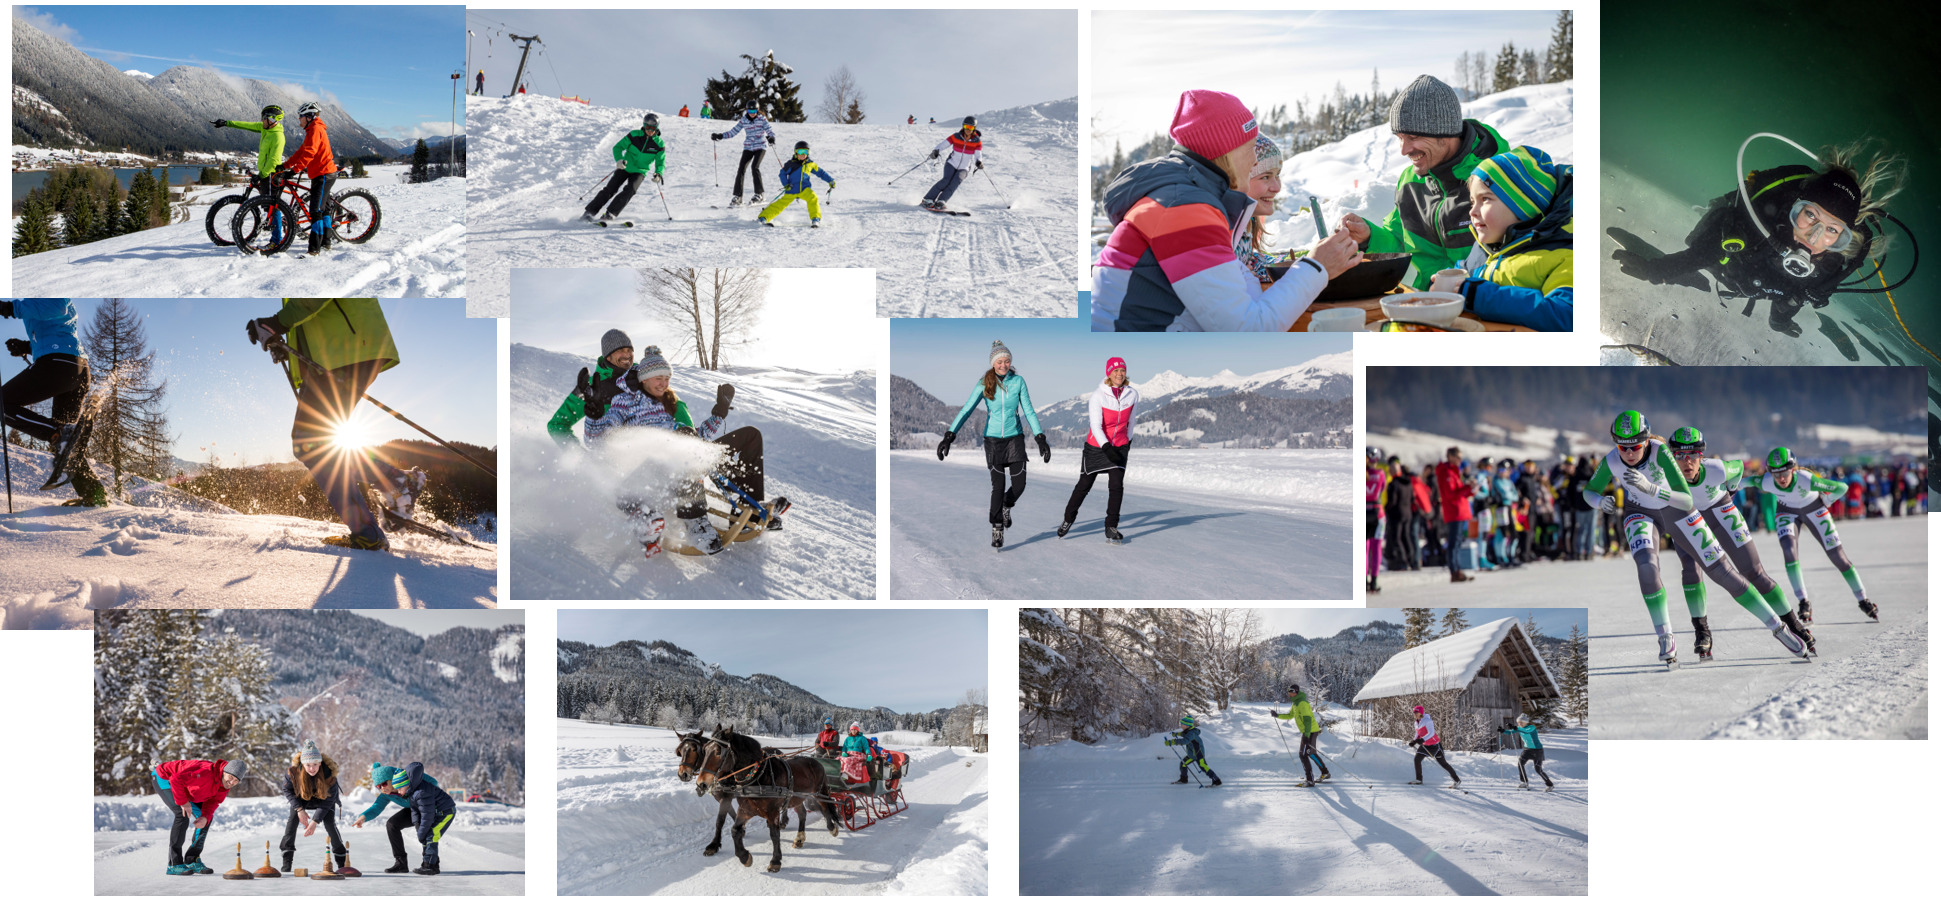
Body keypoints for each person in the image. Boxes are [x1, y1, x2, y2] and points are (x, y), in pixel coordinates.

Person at [1092, 89, 1362, 332]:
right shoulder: (1184, 209)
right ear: (1228, 152)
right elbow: (1246, 332)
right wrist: (1317, 266)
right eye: (1249, 148)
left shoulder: (1185, 197)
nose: (1254, 159)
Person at [1580, 411, 1809, 667]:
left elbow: (1687, 500)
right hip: (1640, 513)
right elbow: (1589, 491)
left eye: (1635, 446)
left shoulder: (1661, 453)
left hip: (1675, 508)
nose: (1629, 453)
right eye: (1622, 446)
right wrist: (1600, 501)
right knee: (1647, 566)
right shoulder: (1612, 460)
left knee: (1722, 571)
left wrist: (1650, 488)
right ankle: (1666, 636)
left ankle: (1779, 628)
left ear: (1646, 441)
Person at [1612, 141, 1905, 337]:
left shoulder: (1831, 264)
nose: (1814, 238)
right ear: (1795, 208)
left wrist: (1778, 322)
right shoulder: (1755, 224)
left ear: (1843, 238)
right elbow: (1700, 257)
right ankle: (1707, 213)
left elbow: (1797, 296)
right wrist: (1655, 271)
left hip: (1753, 285)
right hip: (1727, 265)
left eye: (1832, 231)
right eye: (1811, 216)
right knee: (1706, 241)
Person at [575, 345, 786, 556]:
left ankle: (751, 512)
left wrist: (719, 414)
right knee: (681, 447)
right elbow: (597, 443)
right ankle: (695, 522)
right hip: (647, 474)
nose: (664, 383)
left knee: (751, 434)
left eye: (667, 378)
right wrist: (594, 417)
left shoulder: (668, 405)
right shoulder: (624, 402)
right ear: (644, 378)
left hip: (684, 464)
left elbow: (696, 439)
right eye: (658, 378)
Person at [246, 299, 400, 551]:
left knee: (310, 444)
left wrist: (275, 324)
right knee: (319, 443)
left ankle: (368, 530)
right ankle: (395, 483)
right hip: (341, 351)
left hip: (343, 352)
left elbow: (315, 296)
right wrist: (287, 345)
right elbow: (311, 315)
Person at [1339, 75, 1510, 291]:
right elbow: (1399, 243)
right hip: (1425, 302)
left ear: (1445, 132)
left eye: (1413, 137)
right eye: (1400, 138)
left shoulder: (1501, 177)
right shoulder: (1409, 182)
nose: (1404, 150)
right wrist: (1369, 236)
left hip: (1487, 304)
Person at [1667, 428, 1814, 659]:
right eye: (1679, 456)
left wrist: (1732, 489)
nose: (1687, 462)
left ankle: (1794, 625)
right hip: (1687, 518)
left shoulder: (1716, 469)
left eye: (1693, 455)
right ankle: (1702, 631)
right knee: (1691, 570)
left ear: (1701, 457)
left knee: (1754, 572)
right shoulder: (1666, 476)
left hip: (1720, 513)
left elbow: (1738, 468)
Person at [936, 340, 1047, 549]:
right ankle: (997, 527)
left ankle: (1007, 504)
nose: (1003, 365)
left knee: (1020, 485)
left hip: (1015, 439)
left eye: (1006, 361)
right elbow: (966, 409)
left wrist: (1040, 438)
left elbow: (1029, 411)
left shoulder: (1019, 382)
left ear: (1010, 362)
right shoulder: (984, 383)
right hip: (993, 441)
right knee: (998, 486)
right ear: (993, 363)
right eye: (999, 362)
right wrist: (950, 434)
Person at [1451, 146, 1574, 330]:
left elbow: (1566, 316)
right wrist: (1445, 283)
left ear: (1522, 206)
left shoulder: (1564, 254)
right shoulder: (1486, 247)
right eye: (1472, 201)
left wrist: (1477, 295)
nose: (1472, 212)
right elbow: (1464, 275)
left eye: (1485, 199)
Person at [0, 299, 106, 505]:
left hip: (57, 366)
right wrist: (28, 346)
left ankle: (56, 432)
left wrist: (12, 308)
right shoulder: (38, 300)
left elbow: (57, 306)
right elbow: (58, 328)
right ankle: (94, 495)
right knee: (66, 445)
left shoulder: (45, 288)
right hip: (76, 368)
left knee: (3, 403)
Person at [1761, 447, 1880, 623]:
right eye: (1775, 474)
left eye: (1785, 472)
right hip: (1787, 513)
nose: (1780, 478)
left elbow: (1842, 487)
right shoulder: (1765, 482)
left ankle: (1863, 599)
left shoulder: (1806, 479)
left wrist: (1828, 501)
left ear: (1793, 469)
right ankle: (1803, 601)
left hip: (1815, 510)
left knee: (1839, 558)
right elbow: (1740, 482)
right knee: (1789, 552)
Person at [1058, 356, 1138, 543]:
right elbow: (1096, 426)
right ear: (1108, 373)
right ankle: (1068, 519)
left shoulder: (1132, 394)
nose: (1119, 374)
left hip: (1119, 446)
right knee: (1083, 486)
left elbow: (1131, 421)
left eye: (1122, 370)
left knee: (1116, 487)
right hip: (1096, 447)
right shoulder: (1098, 396)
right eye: (1115, 370)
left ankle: (1111, 526)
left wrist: (1128, 441)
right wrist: (1106, 447)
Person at [152, 758, 246, 875]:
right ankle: (174, 864)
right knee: (182, 815)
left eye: (236, 781)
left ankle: (192, 859)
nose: (231, 782)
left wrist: (205, 817)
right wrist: (183, 802)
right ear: (224, 772)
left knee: (206, 819)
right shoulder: (205, 773)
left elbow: (213, 802)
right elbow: (176, 779)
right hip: (165, 778)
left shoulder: (224, 786)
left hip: (184, 786)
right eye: (230, 777)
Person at [547, 328, 633, 444]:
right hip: (609, 458)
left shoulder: (643, 376)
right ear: (608, 356)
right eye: (621, 350)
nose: (627, 355)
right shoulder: (590, 387)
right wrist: (580, 456)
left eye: (629, 350)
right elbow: (557, 425)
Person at [210, 105, 287, 233]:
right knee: (268, 207)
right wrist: (226, 123)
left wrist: (262, 174)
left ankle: (277, 239)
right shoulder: (265, 128)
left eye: (264, 118)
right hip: (265, 173)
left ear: (272, 119)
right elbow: (246, 125)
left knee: (272, 207)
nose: (261, 120)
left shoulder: (278, 136)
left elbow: (273, 160)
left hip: (271, 174)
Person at [275, 102, 338, 256]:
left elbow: (310, 153)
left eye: (301, 116)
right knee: (323, 209)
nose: (299, 119)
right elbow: (300, 152)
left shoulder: (316, 129)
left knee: (315, 210)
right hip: (320, 174)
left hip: (324, 174)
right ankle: (326, 242)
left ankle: (314, 248)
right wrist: (285, 166)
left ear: (309, 116)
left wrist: (294, 171)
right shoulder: (312, 130)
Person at [581, 113, 666, 223]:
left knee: (630, 190)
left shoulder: (659, 144)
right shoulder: (634, 135)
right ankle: (589, 213)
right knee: (610, 189)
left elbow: (660, 162)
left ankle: (610, 213)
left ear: (657, 128)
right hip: (625, 166)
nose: (650, 130)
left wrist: (658, 173)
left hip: (640, 171)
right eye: (647, 127)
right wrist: (619, 160)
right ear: (644, 125)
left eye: (653, 128)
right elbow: (618, 147)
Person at [355, 763, 438, 874]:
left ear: (392, 779)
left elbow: (433, 782)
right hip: (413, 809)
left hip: (428, 806)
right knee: (392, 824)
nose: (382, 788)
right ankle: (401, 863)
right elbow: (377, 807)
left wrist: (421, 794)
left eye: (384, 784)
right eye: (378, 786)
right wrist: (363, 817)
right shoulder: (387, 794)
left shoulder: (408, 778)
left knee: (423, 829)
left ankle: (431, 863)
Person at [278, 740, 346, 872]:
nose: (312, 768)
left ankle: (341, 859)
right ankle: (287, 859)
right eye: (308, 765)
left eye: (315, 764)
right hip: (302, 798)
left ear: (320, 763)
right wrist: (299, 810)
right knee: (292, 822)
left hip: (324, 799)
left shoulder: (329, 775)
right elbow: (287, 790)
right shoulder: (292, 773)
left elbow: (328, 802)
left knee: (329, 824)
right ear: (303, 764)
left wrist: (315, 821)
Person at [380, 762, 454, 876]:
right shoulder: (412, 792)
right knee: (426, 835)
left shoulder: (421, 792)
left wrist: (422, 832)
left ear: (406, 784)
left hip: (446, 812)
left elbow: (427, 815)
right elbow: (415, 811)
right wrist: (417, 824)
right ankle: (430, 864)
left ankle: (430, 866)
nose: (398, 792)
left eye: (399, 789)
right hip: (436, 812)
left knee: (431, 835)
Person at [1237, 135, 1291, 286]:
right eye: (1266, 177)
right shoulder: (1224, 228)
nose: (1277, 187)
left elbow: (1253, 261)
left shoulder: (1246, 223)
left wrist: (1305, 260)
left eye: (1277, 175)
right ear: (1238, 180)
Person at [757, 140, 836, 228]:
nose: (803, 154)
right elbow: (782, 174)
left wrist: (830, 180)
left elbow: (821, 173)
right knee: (780, 205)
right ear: (795, 153)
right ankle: (763, 218)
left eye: (805, 152)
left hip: (805, 189)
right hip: (791, 189)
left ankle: (815, 220)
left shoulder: (810, 164)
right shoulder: (791, 164)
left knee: (813, 198)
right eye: (800, 151)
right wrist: (786, 184)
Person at [710, 104, 775, 206]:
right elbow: (733, 132)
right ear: (747, 111)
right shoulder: (744, 120)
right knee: (741, 169)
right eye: (750, 111)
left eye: (754, 112)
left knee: (755, 167)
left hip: (761, 146)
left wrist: (771, 137)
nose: (752, 114)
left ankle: (759, 194)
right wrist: (720, 136)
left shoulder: (762, 119)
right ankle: (738, 197)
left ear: (757, 110)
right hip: (748, 147)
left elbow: (769, 130)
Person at [920, 116, 984, 212]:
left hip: (964, 168)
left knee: (955, 183)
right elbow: (944, 144)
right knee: (946, 180)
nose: (968, 129)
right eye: (966, 126)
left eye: (970, 127)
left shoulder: (977, 141)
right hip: (951, 163)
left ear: (974, 128)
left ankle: (941, 201)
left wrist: (979, 162)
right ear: (963, 126)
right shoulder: (956, 136)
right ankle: (928, 199)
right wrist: (936, 151)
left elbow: (978, 155)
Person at [1273, 685, 1329, 787]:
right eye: (1288, 691)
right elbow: (1290, 715)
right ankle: (1325, 773)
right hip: (1310, 731)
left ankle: (1310, 780)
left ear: (1296, 692)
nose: (1289, 693)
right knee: (1311, 754)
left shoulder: (1302, 703)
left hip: (1310, 731)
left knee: (1303, 755)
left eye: (1291, 691)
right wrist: (1277, 715)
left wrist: (1306, 736)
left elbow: (1307, 720)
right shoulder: (1296, 703)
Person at [1434, 446, 1475, 583]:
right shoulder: (1446, 473)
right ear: (1450, 457)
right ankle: (1454, 570)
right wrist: (1467, 488)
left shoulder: (1454, 472)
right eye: (1457, 457)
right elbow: (1450, 494)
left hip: (1460, 510)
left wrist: (1471, 489)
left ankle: (1457, 569)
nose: (1459, 460)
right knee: (1453, 543)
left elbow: (1459, 492)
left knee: (1457, 542)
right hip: (1454, 511)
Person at [1406, 704, 1460, 787]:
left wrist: (1422, 739)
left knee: (1443, 764)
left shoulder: (1428, 721)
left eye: (1416, 713)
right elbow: (1417, 733)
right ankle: (1419, 779)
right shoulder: (1416, 723)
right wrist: (1414, 741)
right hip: (1425, 745)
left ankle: (1457, 780)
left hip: (1435, 746)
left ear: (1421, 713)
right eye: (1414, 713)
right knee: (1417, 759)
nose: (1415, 715)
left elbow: (1431, 733)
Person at [1497, 714, 1553, 791]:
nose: (1520, 724)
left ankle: (1550, 785)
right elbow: (1510, 732)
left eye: (1522, 722)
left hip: (1537, 750)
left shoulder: (1531, 727)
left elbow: (1526, 731)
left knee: (1538, 770)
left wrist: (1515, 727)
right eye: (1518, 722)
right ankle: (1524, 782)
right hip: (1527, 750)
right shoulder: (1519, 728)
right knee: (1520, 764)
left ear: (1526, 722)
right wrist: (1503, 731)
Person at [1164, 715, 1221, 786]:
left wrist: (1172, 742)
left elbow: (1185, 740)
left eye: (1182, 724)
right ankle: (1184, 779)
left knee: (1204, 767)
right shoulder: (1188, 731)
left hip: (1198, 754)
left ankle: (1216, 780)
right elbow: (1184, 734)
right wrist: (1176, 734)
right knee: (1183, 764)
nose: (1181, 725)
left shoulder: (1191, 733)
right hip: (1192, 754)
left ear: (1187, 725)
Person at [1366, 447, 1388, 593]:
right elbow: (1382, 489)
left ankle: (1363, 581)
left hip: (1364, 511)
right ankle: (1374, 581)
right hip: (1377, 512)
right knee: (1376, 548)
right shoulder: (1380, 473)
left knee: (1365, 549)